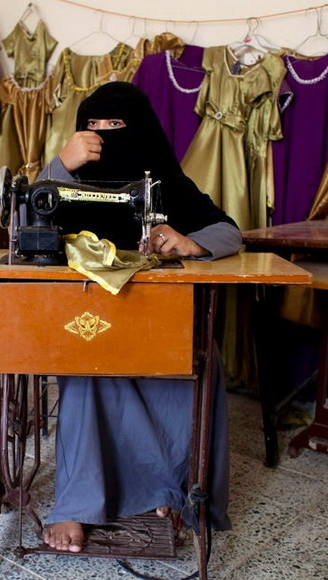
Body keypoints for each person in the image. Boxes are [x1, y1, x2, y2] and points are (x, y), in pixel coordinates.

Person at [38, 82, 242, 553]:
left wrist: (191, 243)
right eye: (92, 126)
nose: (103, 136)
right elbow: (25, 218)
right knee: (85, 373)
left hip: (159, 317)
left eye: (116, 126)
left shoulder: (168, 183)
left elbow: (229, 231)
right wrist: (60, 166)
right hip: (88, 317)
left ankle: (169, 489)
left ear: (142, 130)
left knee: (194, 366)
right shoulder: (67, 179)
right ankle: (77, 502)